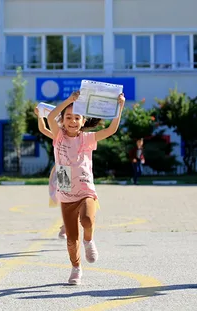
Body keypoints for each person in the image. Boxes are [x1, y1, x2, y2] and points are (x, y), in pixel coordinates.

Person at [47, 90, 125, 285]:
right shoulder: (58, 137)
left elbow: (111, 130)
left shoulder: (87, 138)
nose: (72, 121)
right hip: (66, 193)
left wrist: (119, 107)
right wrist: (69, 100)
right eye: (68, 117)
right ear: (63, 121)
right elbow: (49, 116)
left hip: (85, 190)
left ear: (83, 121)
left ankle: (89, 240)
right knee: (71, 238)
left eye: (77, 118)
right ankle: (76, 268)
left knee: (88, 219)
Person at [33, 106, 67, 240]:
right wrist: (40, 116)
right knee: (65, 200)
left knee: (79, 201)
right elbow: (42, 129)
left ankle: (70, 224)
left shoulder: (78, 135)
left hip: (79, 170)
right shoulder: (58, 135)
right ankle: (65, 225)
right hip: (64, 171)